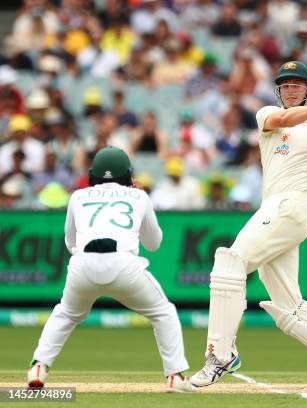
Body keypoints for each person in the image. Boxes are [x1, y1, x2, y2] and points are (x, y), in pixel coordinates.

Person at [189, 61, 307, 388]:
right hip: (276, 206)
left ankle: (220, 355)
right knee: (288, 304)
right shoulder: (267, 113)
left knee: (230, 262)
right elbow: (281, 119)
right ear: (279, 90)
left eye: (297, 85)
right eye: (285, 85)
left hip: (294, 204)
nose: (290, 90)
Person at [26, 147, 194, 393]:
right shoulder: (140, 196)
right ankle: (175, 377)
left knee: (66, 314)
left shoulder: (77, 196)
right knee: (164, 312)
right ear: (128, 175)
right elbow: (154, 244)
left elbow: (70, 242)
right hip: (124, 264)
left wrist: (89, 259)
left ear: (93, 174)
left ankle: (38, 366)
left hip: (83, 263)